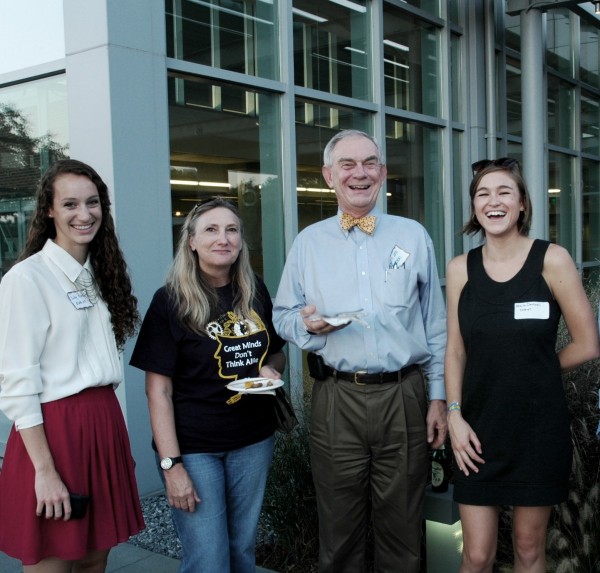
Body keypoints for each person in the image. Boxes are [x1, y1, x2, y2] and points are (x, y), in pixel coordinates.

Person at [273, 129, 447, 573]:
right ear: (329, 176)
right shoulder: (308, 243)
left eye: (370, 163)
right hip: (337, 398)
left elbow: (435, 324)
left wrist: (438, 397)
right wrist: (308, 327)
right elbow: (283, 316)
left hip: (404, 396)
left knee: (402, 529)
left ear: (383, 173)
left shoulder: (413, 236)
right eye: (347, 164)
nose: (360, 173)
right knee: (339, 531)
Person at [445, 157, 600, 573]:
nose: (493, 202)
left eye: (504, 192)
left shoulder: (552, 260)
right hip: (477, 431)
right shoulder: (460, 269)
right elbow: (455, 351)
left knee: (529, 551)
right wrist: (454, 414)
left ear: (523, 204)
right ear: (474, 207)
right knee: (476, 555)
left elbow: (587, 345)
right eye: (483, 194)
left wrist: (534, 370)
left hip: (537, 429)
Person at [0, 159, 145, 572]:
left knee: (94, 561)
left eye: (92, 202)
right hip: (55, 433)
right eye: (70, 204)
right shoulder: (27, 279)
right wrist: (44, 471)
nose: (84, 214)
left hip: (102, 424)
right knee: (53, 561)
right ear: (49, 210)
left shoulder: (99, 274)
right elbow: (17, 382)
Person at [130, 197, 286, 573]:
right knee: (208, 560)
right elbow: (158, 391)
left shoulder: (254, 290)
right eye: (211, 230)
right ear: (192, 241)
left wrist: (270, 369)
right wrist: (172, 466)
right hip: (195, 448)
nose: (223, 238)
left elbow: (276, 353)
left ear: (241, 241)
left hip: (253, 441)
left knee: (241, 551)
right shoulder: (171, 301)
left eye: (231, 230)